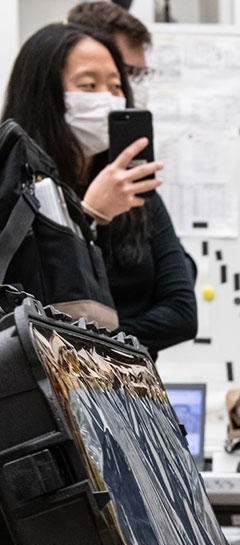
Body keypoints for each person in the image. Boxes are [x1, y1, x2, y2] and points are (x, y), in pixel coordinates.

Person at [3, 23, 196, 357]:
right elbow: (29, 319)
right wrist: (89, 217)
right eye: (89, 85)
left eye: (116, 85)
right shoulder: (15, 188)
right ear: (44, 94)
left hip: (123, 395)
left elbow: (181, 314)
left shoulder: (136, 192)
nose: (107, 98)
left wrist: (100, 340)